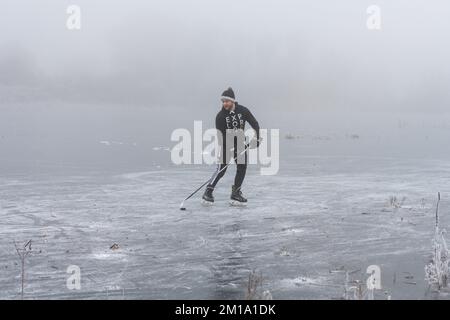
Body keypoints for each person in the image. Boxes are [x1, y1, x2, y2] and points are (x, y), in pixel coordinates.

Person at [202, 87, 260, 205]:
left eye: (226, 101)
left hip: (240, 145)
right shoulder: (220, 117)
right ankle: (208, 191)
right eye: (223, 101)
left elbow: (255, 124)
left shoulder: (243, 111)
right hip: (225, 146)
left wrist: (257, 138)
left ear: (232, 101)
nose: (224, 104)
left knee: (242, 168)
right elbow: (220, 137)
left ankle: (236, 193)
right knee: (221, 170)